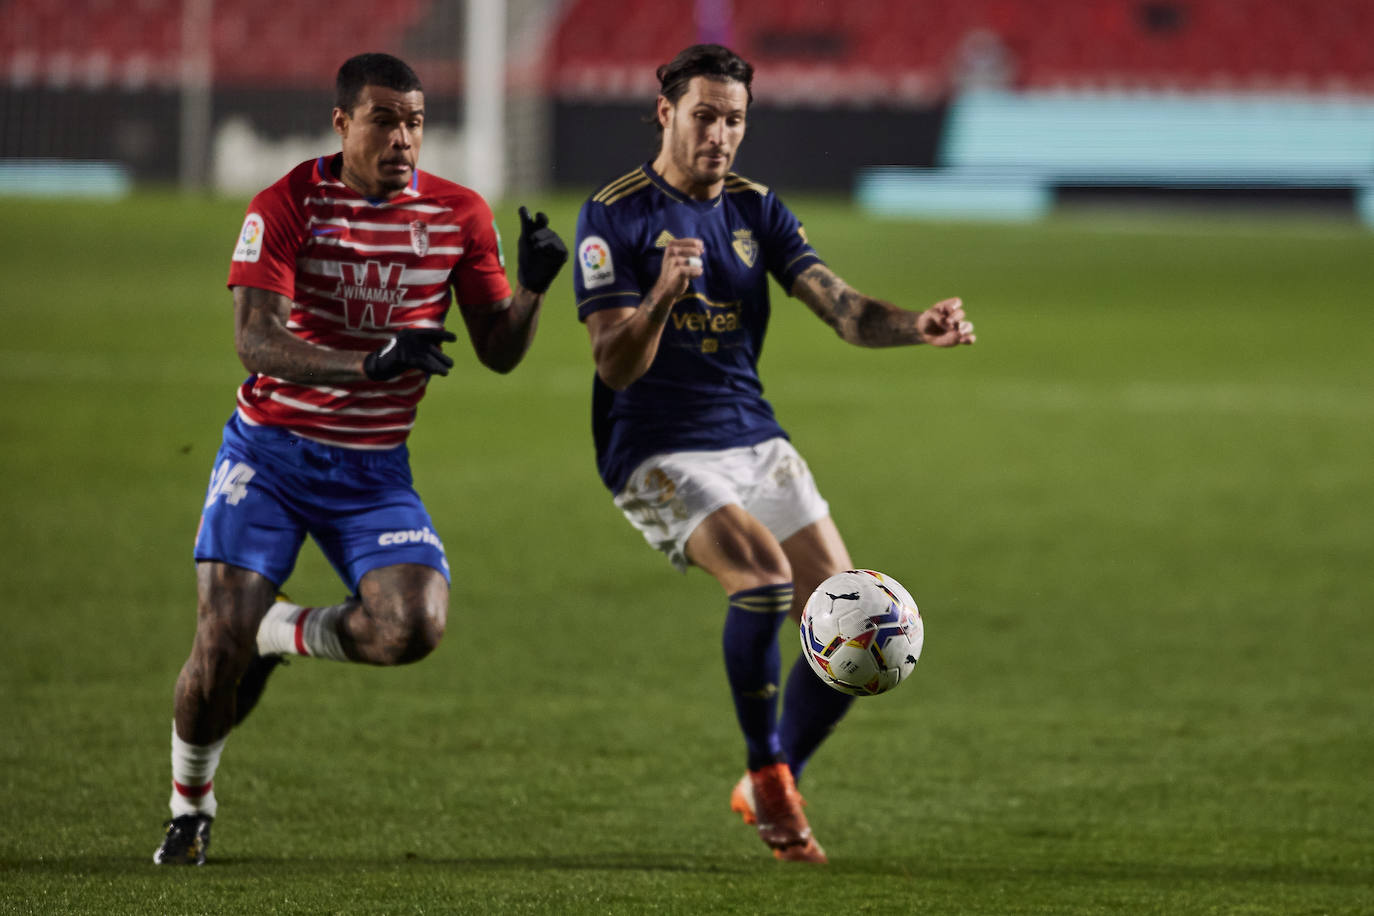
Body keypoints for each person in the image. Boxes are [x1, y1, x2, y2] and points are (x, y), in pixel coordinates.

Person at [153, 52, 568, 865]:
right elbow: (253, 342)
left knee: (414, 626)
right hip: (270, 455)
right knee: (216, 645)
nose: (403, 137)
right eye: (384, 120)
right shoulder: (284, 205)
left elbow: (500, 352)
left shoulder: (459, 216)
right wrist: (370, 363)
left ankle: (285, 635)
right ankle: (189, 807)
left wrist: (534, 291)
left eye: (413, 120)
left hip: (373, 468)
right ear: (342, 124)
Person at [572, 44, 974, 864]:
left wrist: (915, 327)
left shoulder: (756, 208)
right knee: (761, 584)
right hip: (655, 449)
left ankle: (769, 773)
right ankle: (772, 783)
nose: (720, 134)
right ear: (666, 113)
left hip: (753, 437)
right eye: (704, 116)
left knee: (860, 627)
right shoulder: (613, 214)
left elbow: (844, 308)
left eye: (734, 119)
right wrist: (660, 296)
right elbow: (612, 362)